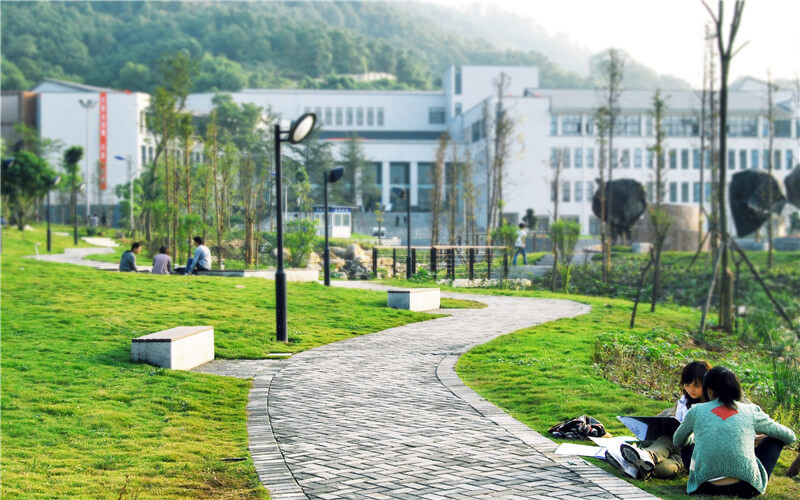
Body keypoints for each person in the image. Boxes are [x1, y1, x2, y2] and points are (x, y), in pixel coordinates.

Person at [673, 366, 796, 497]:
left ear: (708, 388)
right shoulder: (751, 411)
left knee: (687, 443)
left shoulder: (696, 410)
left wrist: (697, 439)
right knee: (775, 439)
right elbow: (790, 436)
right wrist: (759, 438)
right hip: (745, 488)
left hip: (705, 486)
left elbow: (677, 440)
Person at [616, 360, 711, 479]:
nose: (691, 389)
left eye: (696, 385)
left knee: (665, 467)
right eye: (687, 385)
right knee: (664, 441)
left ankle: (636, 464)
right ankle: (645, 458)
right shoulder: (684, 401)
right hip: (669, 443)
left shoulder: (711, 406)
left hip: (689, 452)